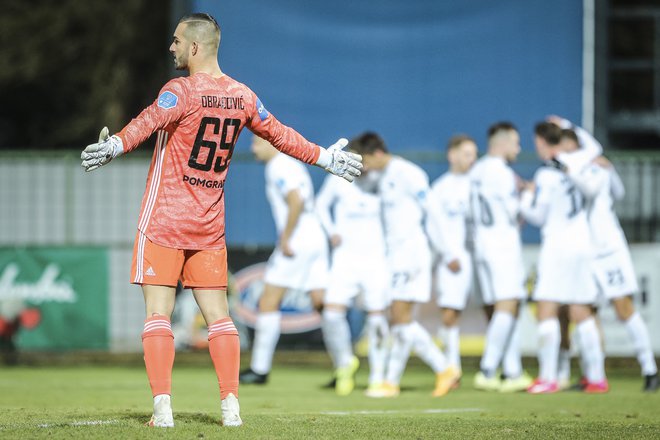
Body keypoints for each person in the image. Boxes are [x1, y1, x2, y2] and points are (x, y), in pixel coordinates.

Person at [80, 13, 361, 428]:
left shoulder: (181, 90)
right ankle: (231, 408)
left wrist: (115, 145)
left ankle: (162, 409)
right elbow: (280, 134)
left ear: (194, 47)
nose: (171, 47)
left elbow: (148, 121)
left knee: (158, 315)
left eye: (176, 41)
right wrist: (325, 158)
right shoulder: (243, 96)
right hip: (208, 227)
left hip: (164, 222)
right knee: (221, 319)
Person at [348, 132, 460, 398]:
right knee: (400, 322)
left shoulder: (409, 173)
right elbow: (357, 184)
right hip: (396, 256)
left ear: (376, 153)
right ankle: (403, 378)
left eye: (363, 161)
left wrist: (447, 251)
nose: (363, 167)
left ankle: (436, 370)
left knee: (400, 318)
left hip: (411, 255)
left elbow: (432, 211)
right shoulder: (380, 177)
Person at [557, 123, 659, 392]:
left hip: (607, 249)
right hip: (585, 251)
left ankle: (649, 369)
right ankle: (594, 376)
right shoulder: (567, 171)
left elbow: (596, 188)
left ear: (576, 144)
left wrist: (568, 128)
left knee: (623, 307)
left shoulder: (592, 165)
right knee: (582, 310)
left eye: (566, 144)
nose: (562, 150)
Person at [520, 120, 606, 394]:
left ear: (543, 142)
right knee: (581, 310)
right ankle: (597, 377)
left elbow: (539, 216)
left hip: (557, 246)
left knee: (547, 309)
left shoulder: (546, 174)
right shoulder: (581, 161)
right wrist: (569, 124)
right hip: (583, 244)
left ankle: (548, 377)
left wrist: (525, 198)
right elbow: (595, 147)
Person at [239, 136, 330, 385]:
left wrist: (286, 236)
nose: (253, 148)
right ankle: (345, 364)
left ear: (271, 144)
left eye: (257, 143)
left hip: (298, 240)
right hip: (316, 237)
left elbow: (295, 199)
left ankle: (259, 370)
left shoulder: (278, 165)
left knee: (268, 300)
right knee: (321, 302)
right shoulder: (293, 164)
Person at [315, 170, 390, 396]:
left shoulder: (383, 179)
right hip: (345, 259)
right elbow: (320, 204)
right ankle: (345, 363)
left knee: (377, 318)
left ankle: (377, 376)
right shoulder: (338, 178)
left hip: (376, 259)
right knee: (331, 314)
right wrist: (331, 231)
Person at [469, 122, 531, 393]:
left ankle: (512, 371)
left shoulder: (478, 169)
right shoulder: (501, 172)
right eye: (516, 142)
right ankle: (488, 368)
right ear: (503, 143)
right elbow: (513, 212)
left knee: (505, 308)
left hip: (482, 245)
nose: (518, 148)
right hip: (502, 244)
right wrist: (528, 195)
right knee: (508, 305)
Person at [427, 134, 478, 382]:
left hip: (481, 257)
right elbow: (433, 227)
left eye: (474, 155)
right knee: (450, 312)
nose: (472, 160)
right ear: (452, 155)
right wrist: (448, 254)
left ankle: (506, 369)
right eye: (467, 154)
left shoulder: (478, 184)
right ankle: (452, 367)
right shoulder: (440, 188)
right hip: (454, 259)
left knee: (496, 310)